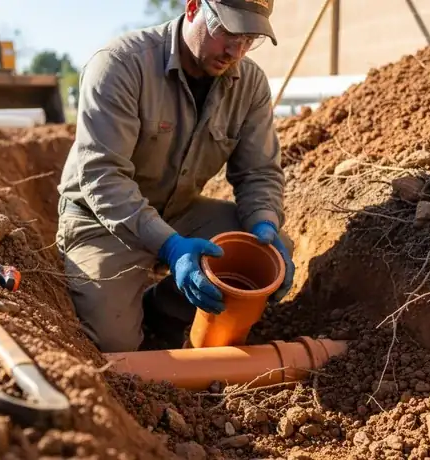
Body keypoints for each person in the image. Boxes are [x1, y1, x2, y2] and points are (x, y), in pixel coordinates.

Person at [55, 0, 295, 353]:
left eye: (249, 38)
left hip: (179, 211)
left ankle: (162, 314)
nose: (236, 50)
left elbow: (259, 173)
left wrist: (265, 224)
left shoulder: (251, 85)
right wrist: (170, 247)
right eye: (228, 31)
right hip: (102, 219)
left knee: (266, 252)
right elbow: (102, 176)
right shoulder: (121, 64)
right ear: (194, 6)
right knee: (113, 343)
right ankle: (133, 316)